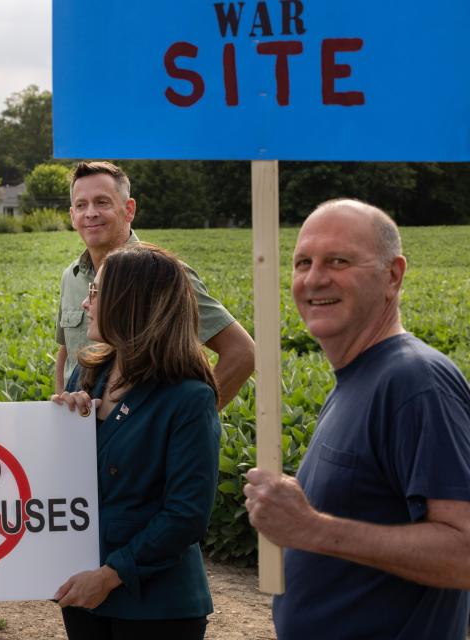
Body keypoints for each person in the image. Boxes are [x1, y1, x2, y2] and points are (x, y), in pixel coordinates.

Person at [244, 199, 470, 639]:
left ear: (393, 275)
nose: (313, 279)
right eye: (302, 262)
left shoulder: (414, 381)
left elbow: (464, 553)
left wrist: (310, 529)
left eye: (339, 261)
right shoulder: (360, 375)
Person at [52, 242, 221, 640]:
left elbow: (185, 516)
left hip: (156, 606)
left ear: (130, 304)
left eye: (95, 293)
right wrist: (59, 423)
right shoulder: (87, 374)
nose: (86, 305)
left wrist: (112, 575)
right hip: (84, 588)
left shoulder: (189, 398)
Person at [56, 161, 254, 409]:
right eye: (81, 205)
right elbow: (67, 352)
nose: (91, 213)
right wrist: (62, 419)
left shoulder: (163, 275)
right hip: (82, 436)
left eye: (102, 202)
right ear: (72, 216)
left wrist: (189, 418)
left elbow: (242, 352)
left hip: (139, 440)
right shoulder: (71, 276)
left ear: (129, 210)